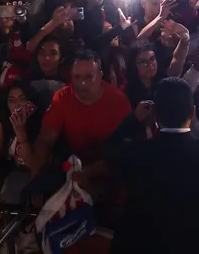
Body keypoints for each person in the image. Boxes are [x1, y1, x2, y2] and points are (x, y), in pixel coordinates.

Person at [104, 77, 199, 254]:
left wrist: (133, 120)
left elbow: (109, 150)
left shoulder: (135, 151)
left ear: (155, 114)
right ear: (192, 112)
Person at [30, 51, 131, 184]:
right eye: (77, 77)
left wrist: (88, 173)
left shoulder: (119, 102)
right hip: (71, 169)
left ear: (100, 76)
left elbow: (126, 151)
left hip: (110, 172)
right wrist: (36, 180)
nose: (82, 83)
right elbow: (45, 140)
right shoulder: (62, 98)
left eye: (89, 77)